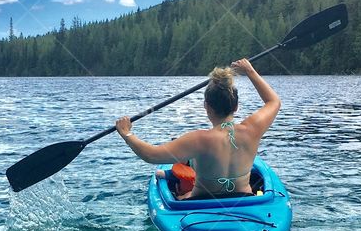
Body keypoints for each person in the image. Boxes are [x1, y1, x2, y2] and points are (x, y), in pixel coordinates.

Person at [115, 59, 281, 199]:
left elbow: (151, 155)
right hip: (245, 201)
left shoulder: (198, 140)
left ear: (206, 107)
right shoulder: (252, 129)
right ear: (236, 106)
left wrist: (127, 133)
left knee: (181, 194)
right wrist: (250, 71)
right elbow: (273, 102)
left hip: (201, 202)